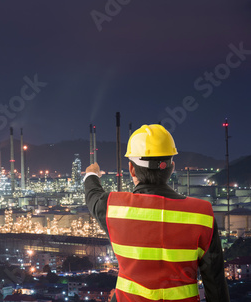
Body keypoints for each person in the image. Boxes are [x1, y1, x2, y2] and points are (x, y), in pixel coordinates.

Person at [84, 124, 229, 302]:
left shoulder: (113, 207)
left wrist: (91, 175)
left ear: (131, 169)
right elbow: (215, 283)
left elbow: (93, 197)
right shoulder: (202, 214)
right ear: (171, 167)